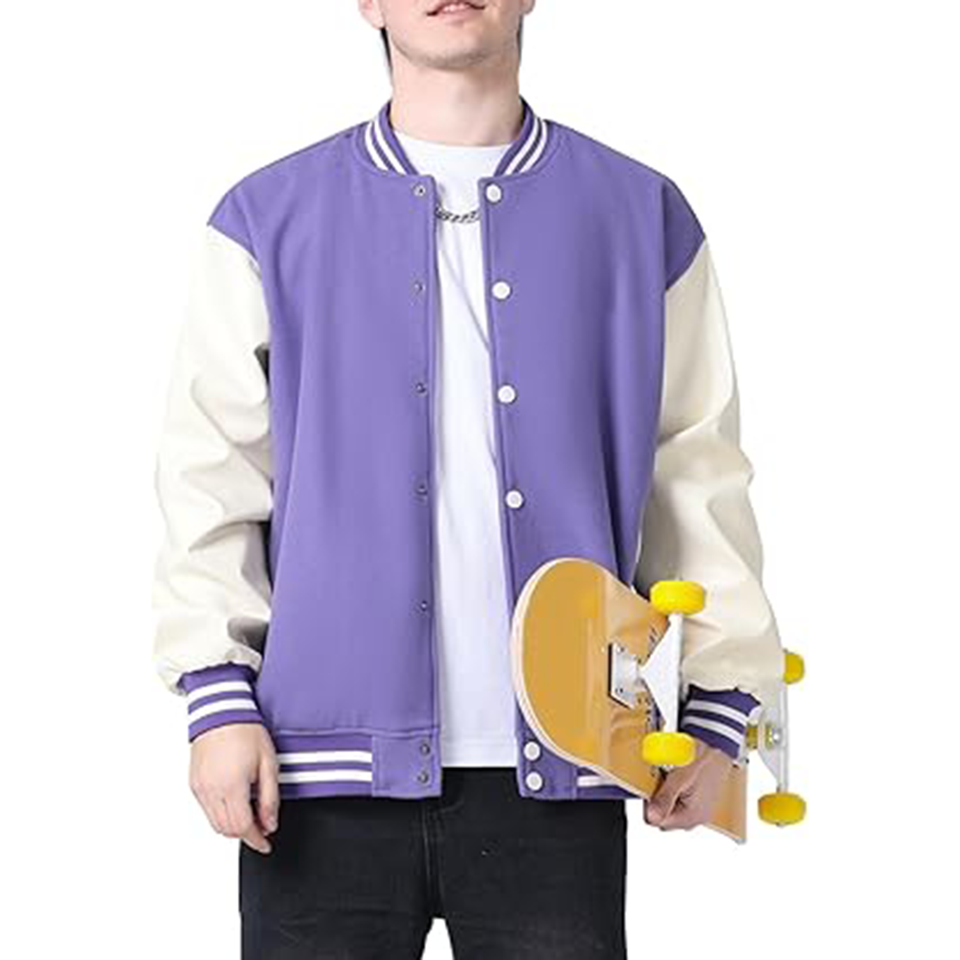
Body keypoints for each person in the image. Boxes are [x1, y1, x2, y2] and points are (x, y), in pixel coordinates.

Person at [151, 2, 785, 956]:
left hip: (568, 753)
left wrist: (721, 697)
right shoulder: (265, 218)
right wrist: (215, 693)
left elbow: (695, 468)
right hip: (316, 769)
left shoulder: (640, 214)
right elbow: (213, 474)